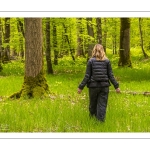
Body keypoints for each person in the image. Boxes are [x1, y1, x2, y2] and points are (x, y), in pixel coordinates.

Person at [77, 44, 120, 122]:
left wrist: (80, 87)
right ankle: (100, 122)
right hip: (104, 87)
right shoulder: (107, 61)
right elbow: (111, 75)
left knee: (92, 104)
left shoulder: (91, 61)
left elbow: (87, 76)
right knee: (102, 105)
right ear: (103, 50)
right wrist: (116, 86)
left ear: (94, 50)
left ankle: (92, 120)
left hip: (93, 87)